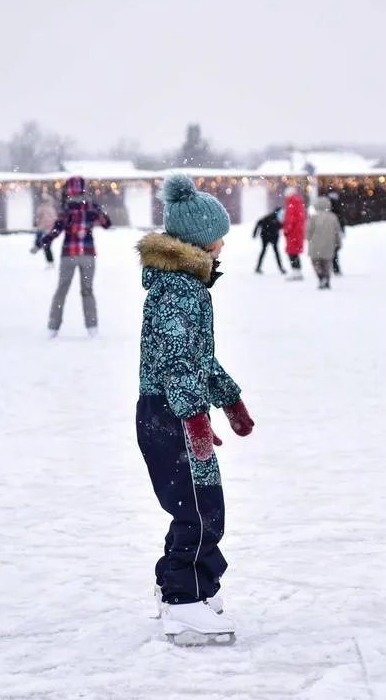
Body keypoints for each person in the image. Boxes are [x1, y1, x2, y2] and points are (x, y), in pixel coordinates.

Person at [135, 174, 255, 645]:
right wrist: (195, 417)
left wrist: (230, 399)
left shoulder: (187, 288)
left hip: (178, 413)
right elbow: (177, 361)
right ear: (200, 241)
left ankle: (190, 591)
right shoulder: (179, 292)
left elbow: (200, 359)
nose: (224, 243)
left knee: (199, 507)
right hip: (170, 416)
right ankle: (184, 604)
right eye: (219, 234)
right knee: (199, 512)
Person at [34, 176, 111, 338]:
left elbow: (56, 231)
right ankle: (92, 328)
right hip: (88, 254)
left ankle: (53, 328)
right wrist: (97, 211)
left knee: (61, 291)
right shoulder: (91, 207)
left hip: (68, 254)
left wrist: (41, 243)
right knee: (87, 291)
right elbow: (106, 224)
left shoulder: (66, 208)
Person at [307, 196, 344, 289]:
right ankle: (326, 278)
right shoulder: (333, 217)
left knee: (316, 262)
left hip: (315, 245)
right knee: (327, 263)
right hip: (329, 245)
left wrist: (309, 239)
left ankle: (321, 277)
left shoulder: (313, 217)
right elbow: (337, 232)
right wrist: (338, 243)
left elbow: (308, 232)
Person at [282, 187, 307, 281]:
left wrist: (286, 230)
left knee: (292, 253)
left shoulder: (291, 204)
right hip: (298, 232)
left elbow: (290, 220)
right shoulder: (298, 203)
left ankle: (296, 272)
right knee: (295, 253)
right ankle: (298, 272)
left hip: (293, 234)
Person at [252, 206, 286, 274]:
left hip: (266, 237)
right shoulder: (277, 219)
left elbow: (258, 223)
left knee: (264, 251)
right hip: (271, 237)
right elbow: (281, 226)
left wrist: (255, 233)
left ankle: (258, 267)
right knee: (275, 252)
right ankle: (281, 268)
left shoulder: (269, 217)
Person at [33, 194, 58, 266]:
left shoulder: (41, 208)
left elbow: (38, 218)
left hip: (43, 228)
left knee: (45, 244)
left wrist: (38, 224)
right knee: (47, 245)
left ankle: (37, 246)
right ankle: (50, 261)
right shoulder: (52, 209)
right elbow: (55, 219)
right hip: (50, 229)